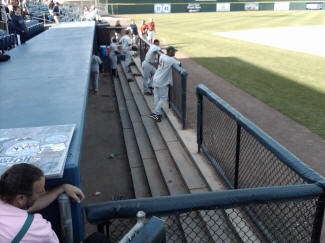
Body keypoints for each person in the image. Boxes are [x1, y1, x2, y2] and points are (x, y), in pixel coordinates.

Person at [0, 163, 108, 243]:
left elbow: (28, 207)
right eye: (40, 191)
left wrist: (62, 188)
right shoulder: (34, 227)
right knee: (98, 240)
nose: (44, 192)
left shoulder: (9, 201)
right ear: (21, 198)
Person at [150, 46, 180, 122]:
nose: (174, 53)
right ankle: (155, 113)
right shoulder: (171, 60)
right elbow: (179, 64)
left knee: (157, 97)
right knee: (163, 98)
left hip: (156, 78)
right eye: (173, 51)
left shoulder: (162, 56)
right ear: (170, 51)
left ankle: (156, 112)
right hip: (161, 81)